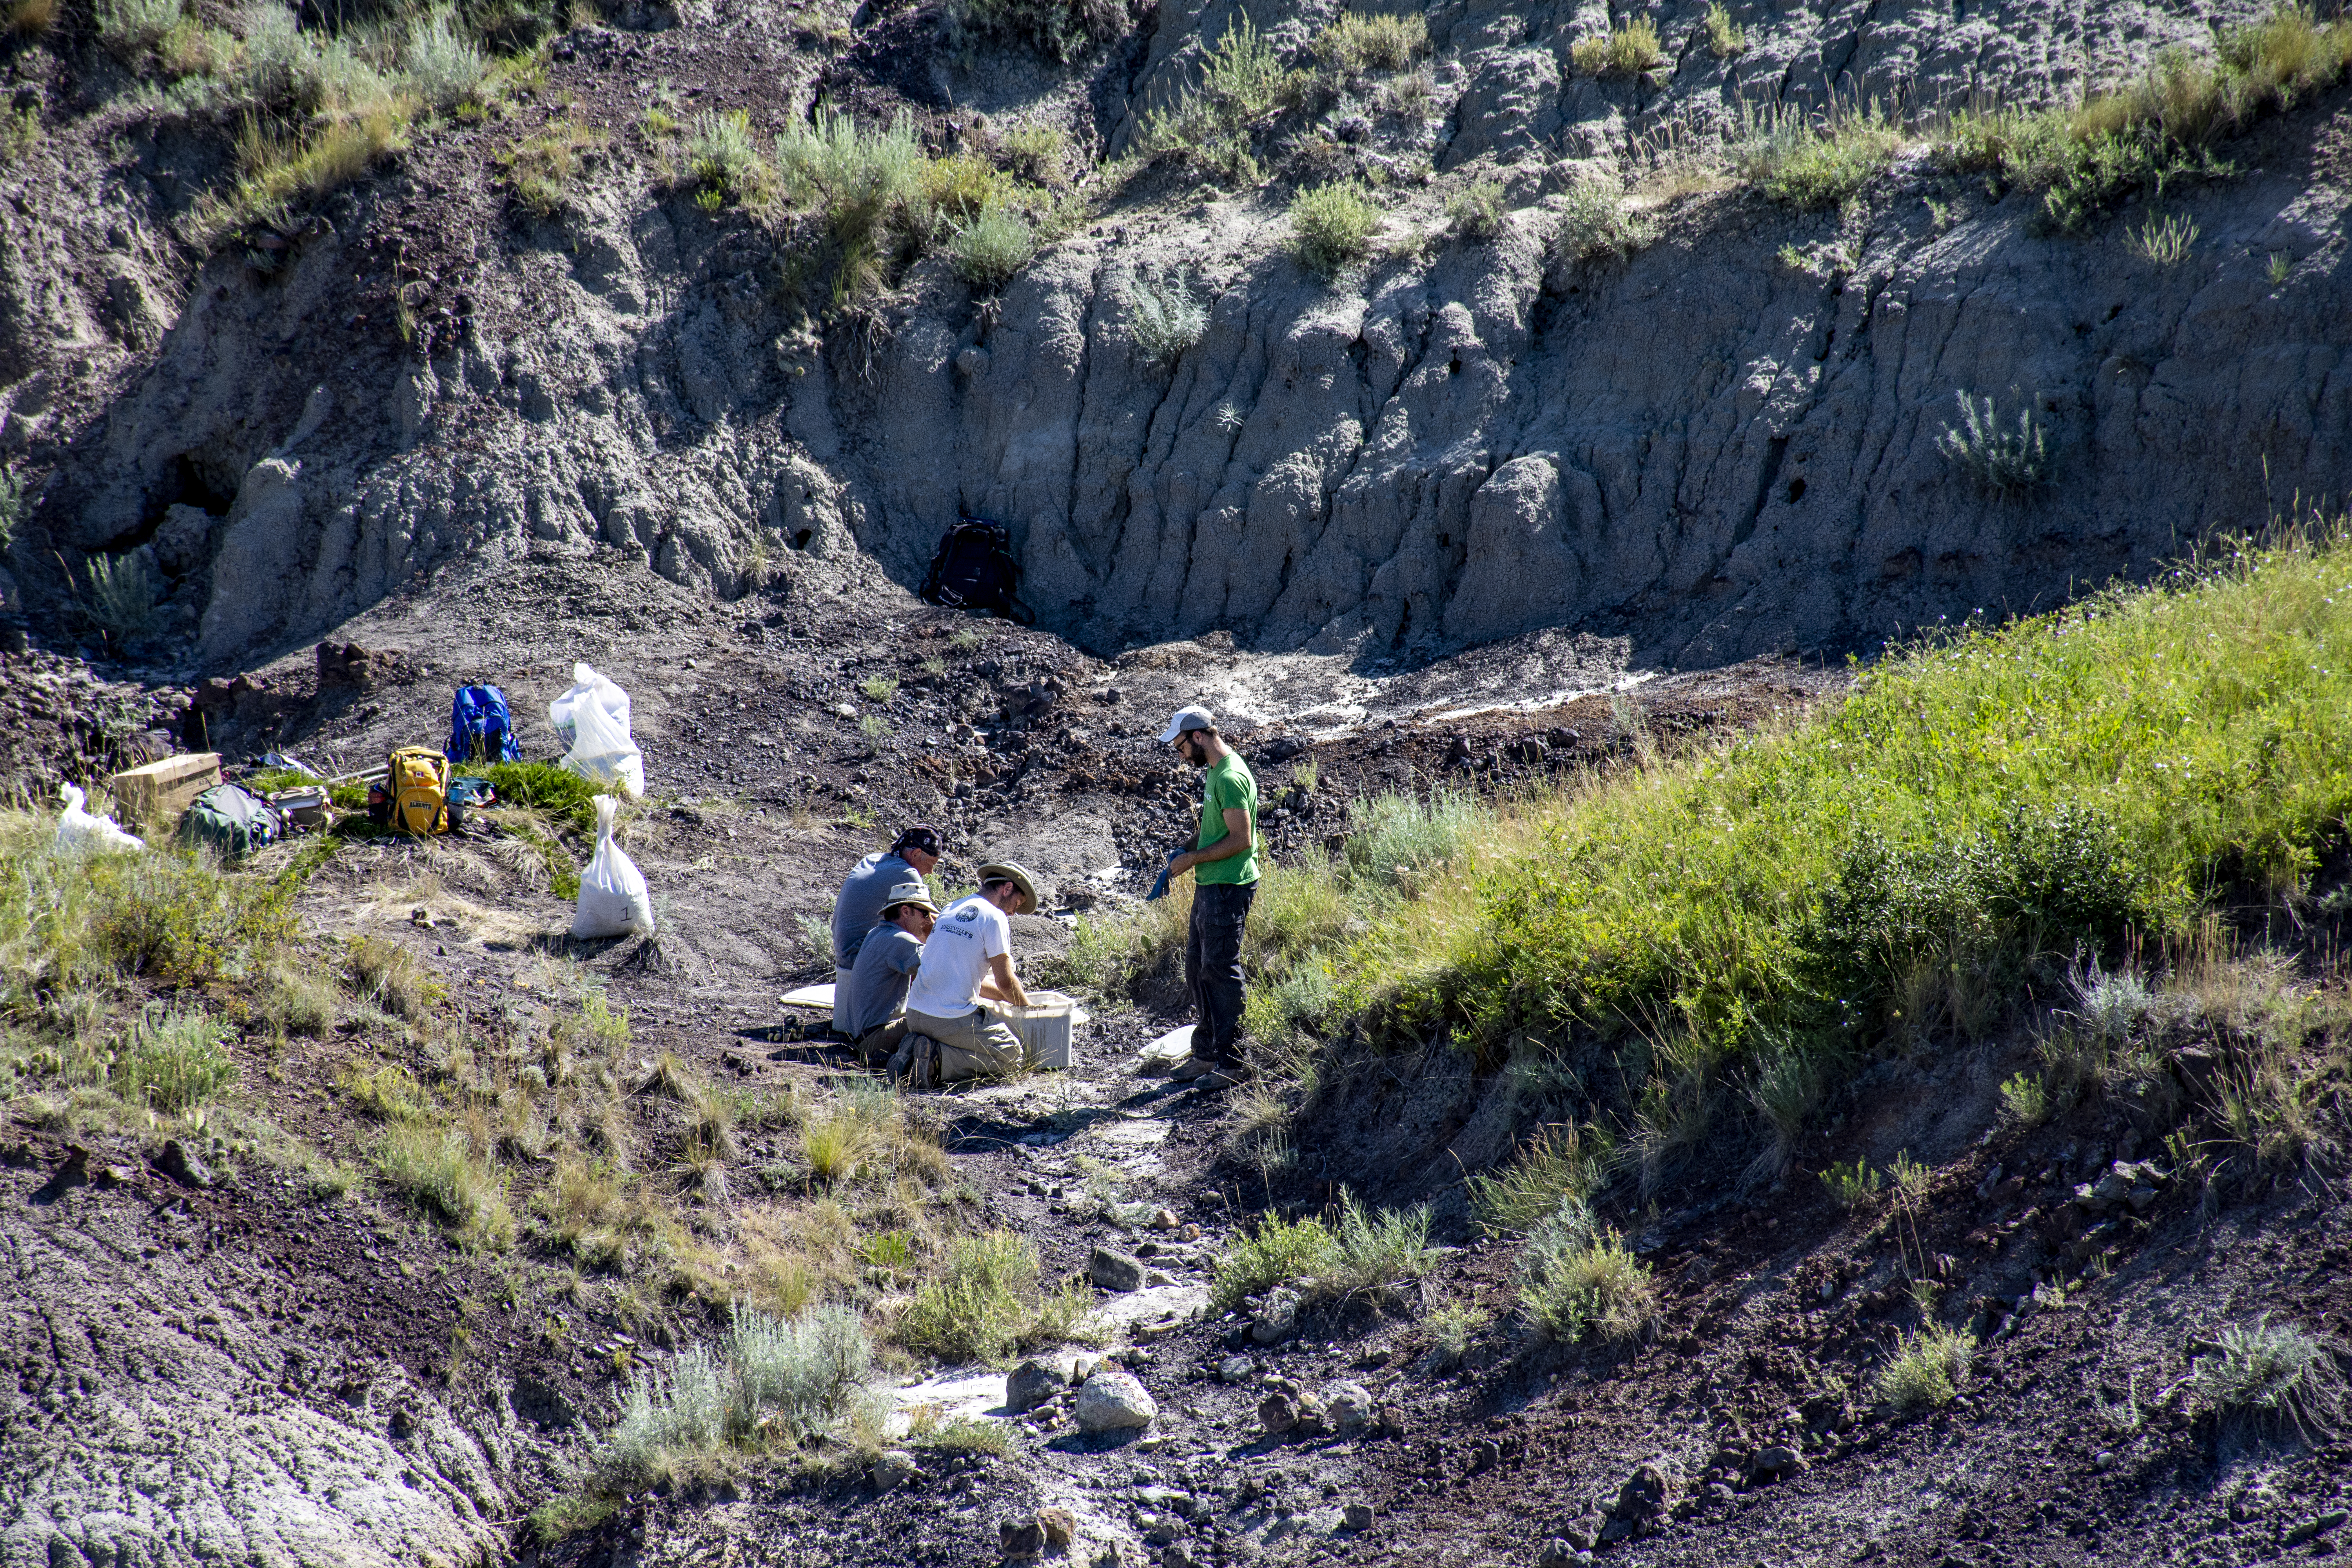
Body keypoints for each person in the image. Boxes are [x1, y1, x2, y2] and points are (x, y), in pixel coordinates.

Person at [1158, 705, 1259, 1088]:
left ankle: (1233, 1065)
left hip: (1228, 887)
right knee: (1198, 967)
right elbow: (1217, 829)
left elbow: (1241, 840)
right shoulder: (1216, 770)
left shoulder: (1231, 776)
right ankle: (1205, 1055)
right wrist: (1184, 852)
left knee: (1220, 972)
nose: (1180, 753)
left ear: (1197, 736)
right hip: (1211, 883)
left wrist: (1192, 859)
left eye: (1180, 745)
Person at [894, 861, 1041, 1090]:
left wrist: (1004, 997)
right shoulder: (995, 917)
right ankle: (938, 1060)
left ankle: (916, 1047)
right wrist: (1031, 1010)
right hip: (947, 1019)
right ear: (1008, 888)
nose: (1013, 912)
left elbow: (970, 979)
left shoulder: (951, 908)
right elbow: (1005, 981)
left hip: (916, 1014)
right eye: (1017, 904)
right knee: (1013, 1057)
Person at [830, 825, 941, 1029]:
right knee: (925, 949)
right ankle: (924, 1010)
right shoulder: (908, 874)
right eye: (931, 863)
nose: (931, 872)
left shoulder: (873, 859)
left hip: (846, 954)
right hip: (863, 960)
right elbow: (929, 926)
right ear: (917, 854)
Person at [835, 881, 937, 1067]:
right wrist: (936, 932)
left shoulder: (877, 933)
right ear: (906, 911)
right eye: (925, 913)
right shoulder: (899, 940)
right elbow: (942, 970)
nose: (927, 920)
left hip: (864, 1037)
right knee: (939, 1019)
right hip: (876, 1040)